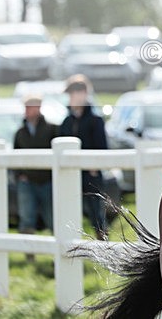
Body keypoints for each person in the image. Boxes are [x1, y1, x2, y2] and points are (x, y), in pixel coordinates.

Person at [58, 74, 109, 240]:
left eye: (75, 93)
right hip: (71, 174)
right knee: (68, 212)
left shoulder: (95, 120)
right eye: (71, 94)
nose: (72, 98)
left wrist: (94, 166)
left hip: (91, 175)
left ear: (84, 94)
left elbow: (102, 147)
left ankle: (104, 248)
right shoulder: (66, 121)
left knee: (97, 214)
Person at [13, 95, 57, 247]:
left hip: (47, 182)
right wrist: (20, 176)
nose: (27, 110)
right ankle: (29, 253)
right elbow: (15, 156)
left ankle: (56, 252)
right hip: (27, 182)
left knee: (53, 217)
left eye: (30, 107)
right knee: (26, 218)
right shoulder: (20, 132)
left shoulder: (52, 129)